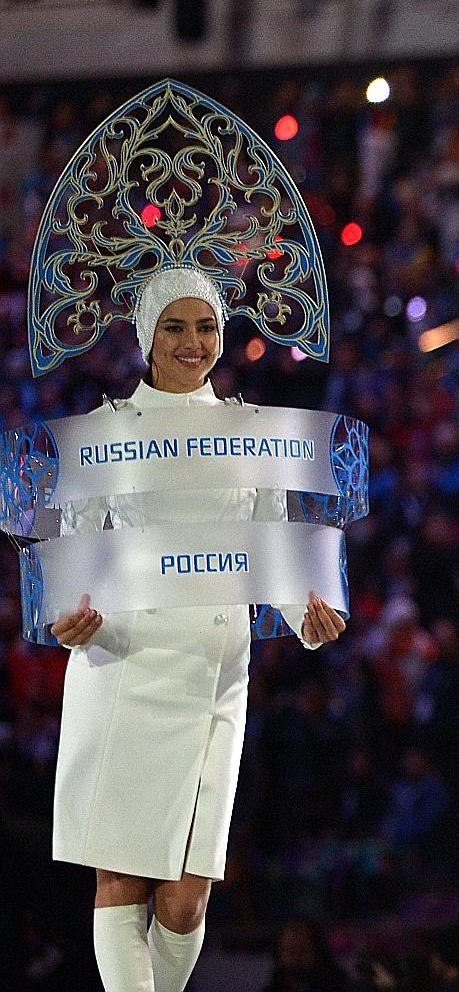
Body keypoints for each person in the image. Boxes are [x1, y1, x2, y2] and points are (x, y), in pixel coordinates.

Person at [47, 266, 348, 992]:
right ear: (147, 333)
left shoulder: (252, 430)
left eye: (206, 326)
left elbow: (272, 549)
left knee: (185, 903)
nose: (193, 342)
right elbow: (75, 548)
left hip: (218, 673)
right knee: (121, 876)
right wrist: (67, 619)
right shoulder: (105, 432)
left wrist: (306, 618)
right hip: (123, 661)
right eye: (176, 327)